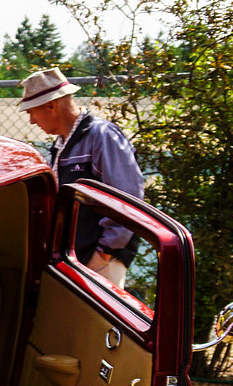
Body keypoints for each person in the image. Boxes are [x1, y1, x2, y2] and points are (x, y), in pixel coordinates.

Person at [19, 67, 146, 287]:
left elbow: (129, 199)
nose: (31, 121)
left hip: (100, 260)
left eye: (32, 111)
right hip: (76, 258)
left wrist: (105, 252)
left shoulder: (102, 136)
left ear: (51, 105)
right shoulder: (61, 145)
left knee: (97, 322)